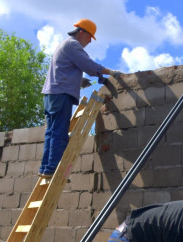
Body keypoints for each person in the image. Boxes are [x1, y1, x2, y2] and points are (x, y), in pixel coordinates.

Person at [39, 18, 122, 178]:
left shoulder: (64, 44)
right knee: (59, 133)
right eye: (90, 37)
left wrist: (78, 80)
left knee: (51, 132)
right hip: (61, 94)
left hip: (51, 94)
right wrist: (110, 72)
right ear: (82, 32)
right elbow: (89, 65)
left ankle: (45, 168)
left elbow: (65, 68)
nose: (90, 41)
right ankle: (53, 170)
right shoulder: (73, 45)